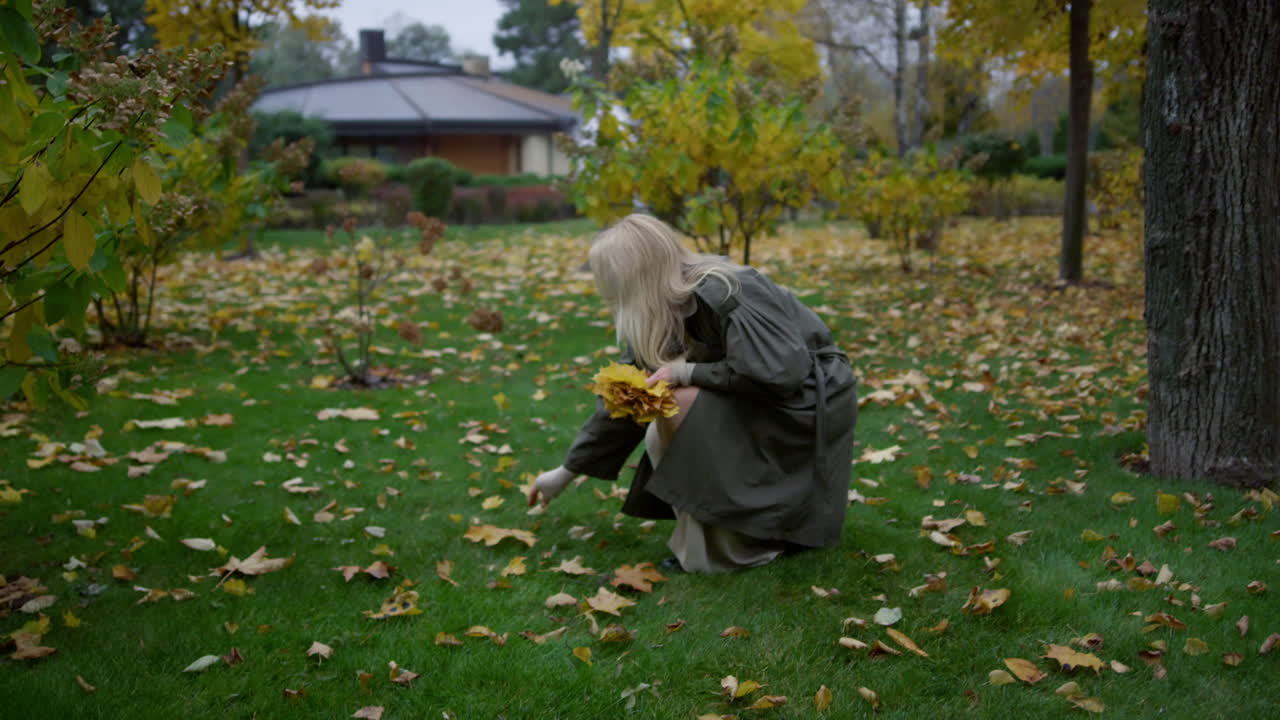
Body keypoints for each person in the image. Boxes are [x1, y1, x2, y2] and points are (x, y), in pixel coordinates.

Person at [526, 214, 858, 573]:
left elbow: (781, 373)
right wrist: (564, 473)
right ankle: (717, 545)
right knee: (666, 407)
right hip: (764, 394)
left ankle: (743, 548)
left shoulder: (727, 288)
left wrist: (686, 372)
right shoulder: (658, 312)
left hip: (807, 399)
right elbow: (628, 401)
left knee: (677, 406)